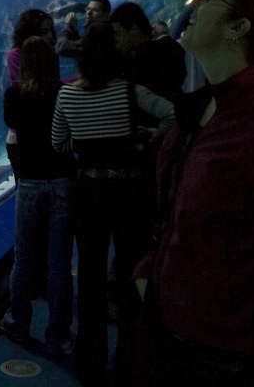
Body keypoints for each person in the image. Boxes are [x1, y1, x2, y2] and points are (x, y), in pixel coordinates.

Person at [131, 0, 254, 387]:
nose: (195, 4)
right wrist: (151, 270)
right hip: (168, 334)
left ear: (239, 27)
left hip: (230, 360)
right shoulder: (196, 111)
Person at [52, 22, 175, 387]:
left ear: (82, 57)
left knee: (89, 276)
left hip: (87, 194)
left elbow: (58, 142)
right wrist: (155, 134)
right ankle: (130, 362)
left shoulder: (66, 95)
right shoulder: (129, 91)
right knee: (126, 275)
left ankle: (90, 363)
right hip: (126, 193)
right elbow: (172, 112)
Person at [0, 35, 77, 358]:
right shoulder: (64, 93)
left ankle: (19, 321)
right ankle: (58, 333)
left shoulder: (14, 94)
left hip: (29, 182)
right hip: (62, 180)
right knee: (59, 262)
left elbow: (12, 126)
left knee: (24, 257)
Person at [2, 9, 58, 180]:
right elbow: (32, 89)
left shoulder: (52, 54)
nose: (49, 35)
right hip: (22, 136)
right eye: (43, 31)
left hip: (49, 132)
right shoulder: (15, 55)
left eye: (51, 30)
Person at [111, 2, 187, 103]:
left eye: (118, 33)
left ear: (134, 29)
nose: (115, 39)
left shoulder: (134, 62)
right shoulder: (171, 48)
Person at [56, 0, 111, 66]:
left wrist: (68, 26)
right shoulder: (105, 31)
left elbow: (62, 49)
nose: (88, 13)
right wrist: (74, 31)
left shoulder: (101, 33)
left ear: (106, 15)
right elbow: (82, 51)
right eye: (88, 9)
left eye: (95, 10)